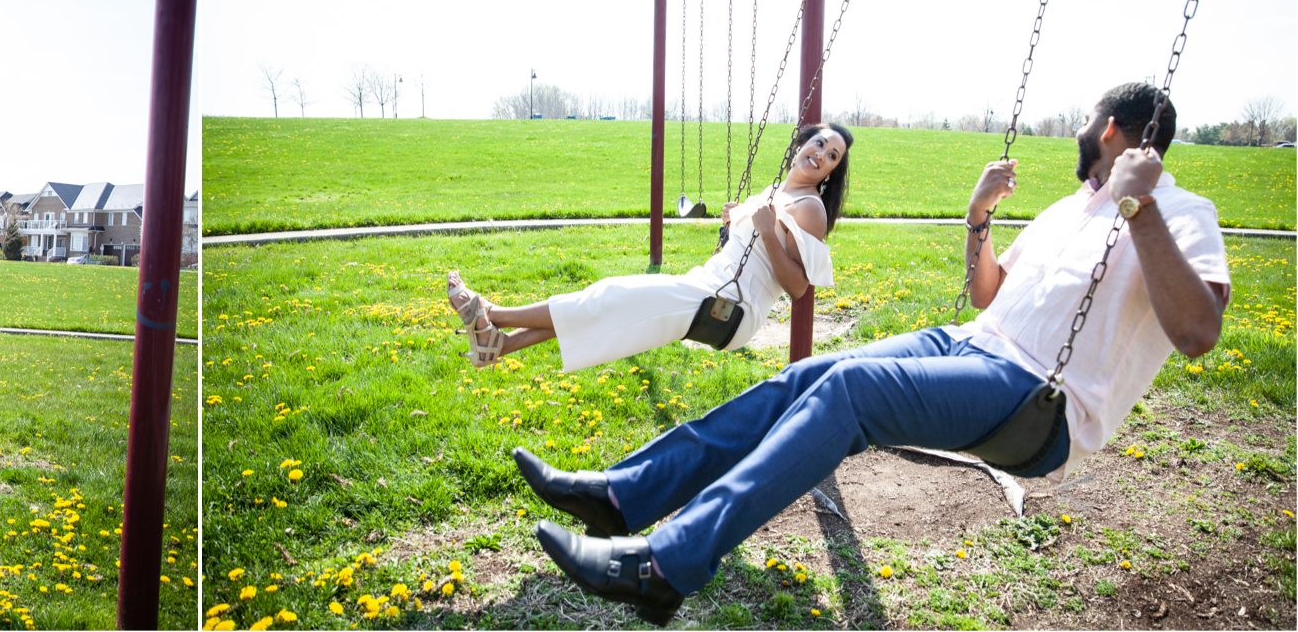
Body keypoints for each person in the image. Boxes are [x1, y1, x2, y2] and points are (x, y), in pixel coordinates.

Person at [513, 83, 1228, 625]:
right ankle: (621, 495)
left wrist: (1139, 207)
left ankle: (663, 564)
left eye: (1080, 126)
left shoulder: (1183, 212)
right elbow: (987, 296)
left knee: (850, 392)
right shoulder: (1067, 208)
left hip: (1039, 398)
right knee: (808, 377)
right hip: (971, 345)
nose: (1075, 135)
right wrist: (977, 218)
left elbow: (1197, 333)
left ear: (1106, 130)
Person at [447, 122, 854, 369]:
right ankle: (499, 344)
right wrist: (738, 221)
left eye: (832, 155)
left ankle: (491, 315)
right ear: (803, 143)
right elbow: (752, 248)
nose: (821, 154)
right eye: (819, 144)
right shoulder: (772, 190)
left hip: (732, 306)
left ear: (831, 173)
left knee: (610, 295)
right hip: (707, 285)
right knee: (611, 307)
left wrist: (765, 230)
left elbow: (799, 288)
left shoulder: (810, 209)